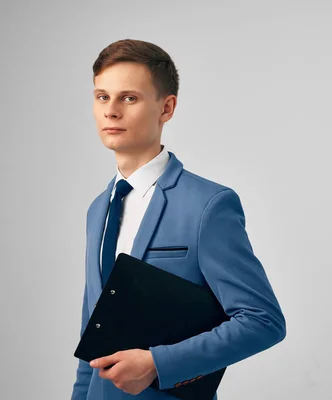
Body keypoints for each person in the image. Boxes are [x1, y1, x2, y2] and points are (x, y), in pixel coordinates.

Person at [71, 38, 286, 400]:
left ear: (166, 108)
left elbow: (263, 321)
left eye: (129, 98)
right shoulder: (98, 209)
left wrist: (158, 363)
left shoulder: (209, 205)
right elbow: (92, 333)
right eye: (102, 96)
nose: (111, 111)